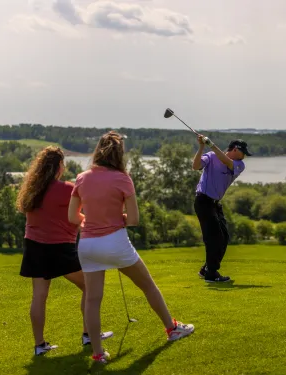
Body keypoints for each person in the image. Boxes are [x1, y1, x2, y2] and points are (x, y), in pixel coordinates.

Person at [68, 131, 194, 364]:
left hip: (88, 245)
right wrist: (117, 218)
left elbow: (72, 216)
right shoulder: (123, 178)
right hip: (115, 242)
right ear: (119, 153)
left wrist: (93, 221)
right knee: (148, 286)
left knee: (93, 300)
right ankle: (172, 329)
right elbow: (134, 219)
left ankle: (97, 354)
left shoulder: (82, 177)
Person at [17, 146, 113, 356]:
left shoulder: (32, 190)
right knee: (90, 287)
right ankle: (88, 334)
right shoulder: (67, 189)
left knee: (39, 296)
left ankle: (39, 346)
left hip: (34, 246)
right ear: (59, 166)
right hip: (59, 248)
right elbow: (79, 215)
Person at [192, 136, 252, 283]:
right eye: (243, 153)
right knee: (213, 238)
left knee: (224, 237)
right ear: (236, 149)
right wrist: (201, 147)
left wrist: (211, 144)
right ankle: (211, 274)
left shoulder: (239, 164)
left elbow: (227, 162)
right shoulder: (211, 156)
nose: (244, 156)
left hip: (215, 204)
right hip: (203, 201)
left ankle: (206, 268)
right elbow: (195, 166)